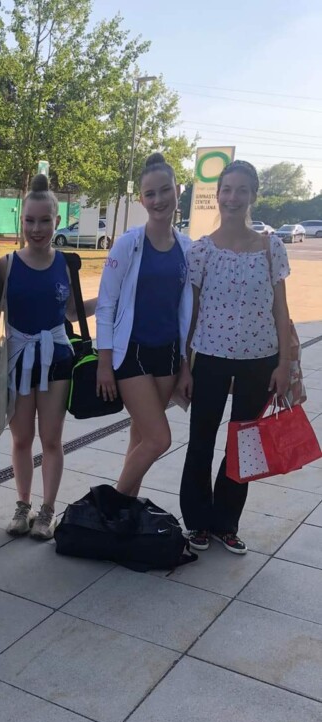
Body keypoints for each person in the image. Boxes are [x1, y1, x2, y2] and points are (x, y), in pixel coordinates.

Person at [180, 160, 291, 554]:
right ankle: (197, 521)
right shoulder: (201, 251)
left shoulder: (271, 248)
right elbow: (190, 315)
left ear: (253, 196)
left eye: (242, 190)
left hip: (260, 360)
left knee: (244, 443)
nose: (233, 197)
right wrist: (184, 367)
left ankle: (226, 522)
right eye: (227, 189)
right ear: (218, 194)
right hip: (210, 357)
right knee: (201, 439)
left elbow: (281, 309)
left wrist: (284, 364)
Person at [0, 173, 93, 541]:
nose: (37, 229)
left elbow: (71, 312)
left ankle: (47, 509)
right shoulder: (6, 265)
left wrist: (111, 303)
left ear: (57, 221)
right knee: (21, 440)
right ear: (21, 220)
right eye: (30, 221)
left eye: (44, 220)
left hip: (57, 359)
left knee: (51, 439)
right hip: (18, 360)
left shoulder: (65, 264)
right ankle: (23, 505)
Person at [96, 152, 193, 497]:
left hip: (167, 356)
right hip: (132, 354)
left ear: (178, 191)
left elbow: (187, 312)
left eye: (165, 190)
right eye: (150, 194)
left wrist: (185, 366)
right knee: (158, 438)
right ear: (141, 199)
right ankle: (111, 508)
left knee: (140, 437)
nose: (158, 199)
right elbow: (106, 304)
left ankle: (127, 512)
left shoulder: (187, 248)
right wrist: (104, 363)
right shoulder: (128, 244)